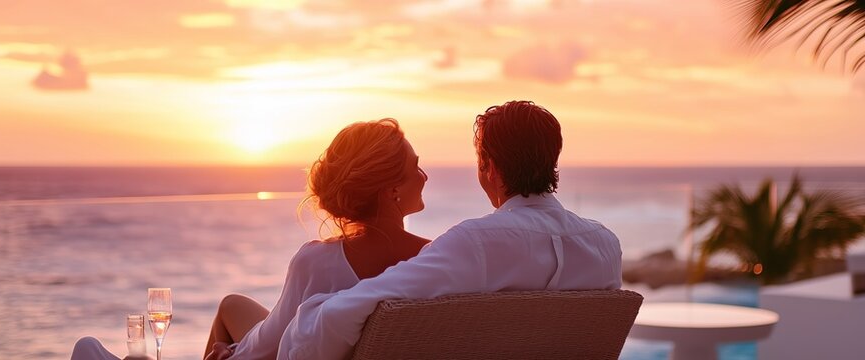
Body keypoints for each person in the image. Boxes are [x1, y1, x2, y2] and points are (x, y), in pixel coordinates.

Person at [276, 100, 623, 360]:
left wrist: (310, 313)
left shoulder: (475, 245)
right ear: (552, 160)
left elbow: (341, 314)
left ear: (488, 167)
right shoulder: (605, 247)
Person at [70, 119, 430, 360]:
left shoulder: (320, 263)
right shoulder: (434, 260)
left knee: (87, 349)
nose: (424, 175)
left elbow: (277, 345)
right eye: (416, 166)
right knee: (232, 306)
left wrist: (234, 355)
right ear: (390, 189)